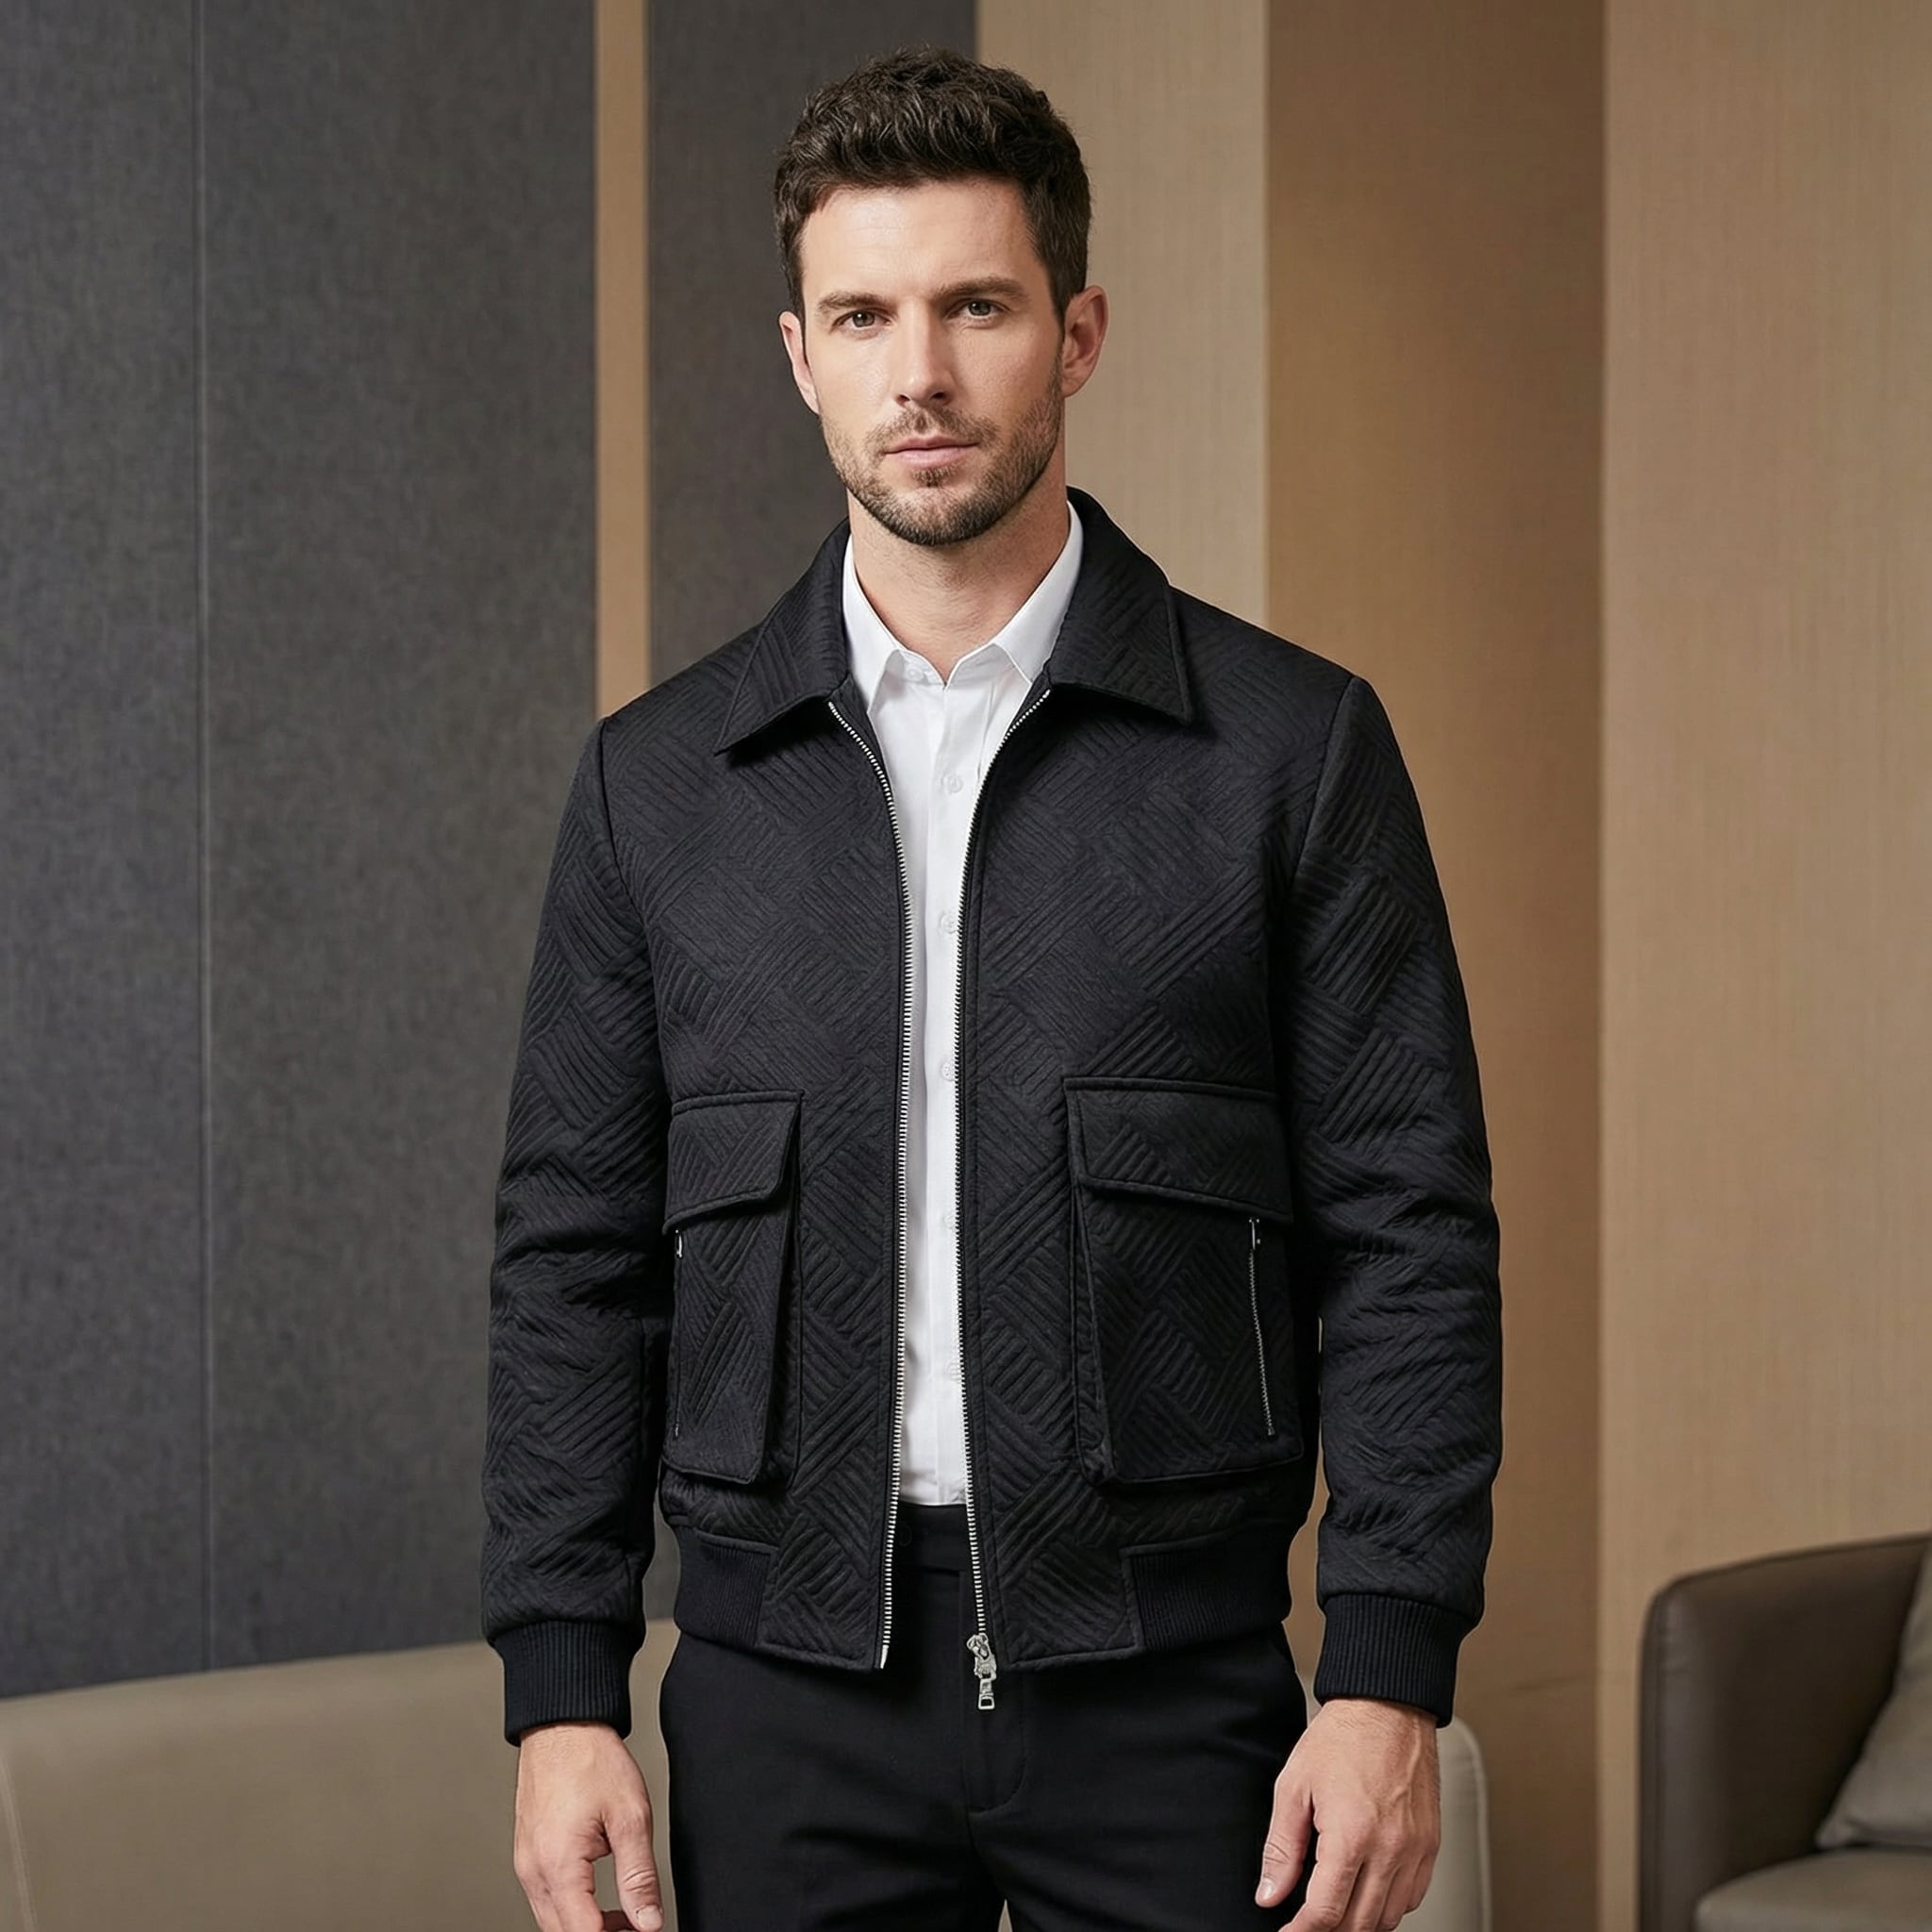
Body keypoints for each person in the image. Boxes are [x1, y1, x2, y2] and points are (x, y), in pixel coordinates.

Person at [481, 42, 1503, 1932]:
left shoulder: (1290, 753)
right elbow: (573, 1258)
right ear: (799, 355)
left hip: (1174, 1691)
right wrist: (562, 1689)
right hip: (782, 1696)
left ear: (1078, 333)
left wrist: (1386, 1668)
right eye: (862, 317)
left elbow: (1409, 1235)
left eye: (977, 307)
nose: (921, 376)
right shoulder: (660, 784)